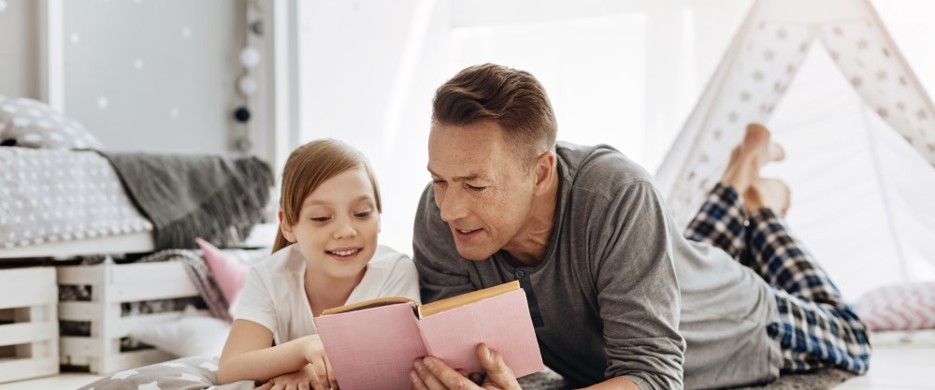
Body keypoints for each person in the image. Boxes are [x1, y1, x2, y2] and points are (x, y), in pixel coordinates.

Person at [409, 64, 871, 389]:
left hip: (741, 321)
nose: (449, 210)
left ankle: (762, 206)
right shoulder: (440, 215)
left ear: (542, 171)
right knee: (682, 247)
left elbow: (653, 376)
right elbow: (470, 362)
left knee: (854, 340)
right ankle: (740, 172)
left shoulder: (618, 194)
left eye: (475, 185)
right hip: (674, 267)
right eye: (439, 180)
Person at [217, 139, 420, 389]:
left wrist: (314, 369)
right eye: (322, 218)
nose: (346, 231)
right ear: (288, 225)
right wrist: (304, 350)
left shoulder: (396, 271)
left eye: (362, 213)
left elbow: (401, 362)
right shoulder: (269, 277)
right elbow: (230, 368)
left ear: (379, 217)